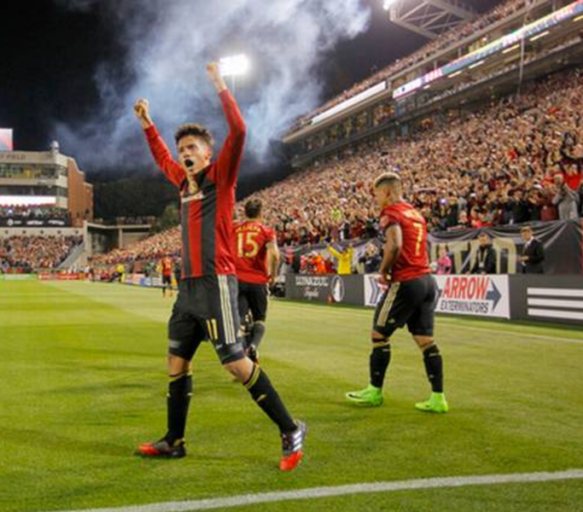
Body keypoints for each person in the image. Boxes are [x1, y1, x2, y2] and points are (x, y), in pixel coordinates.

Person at [133, 62, 305, 471]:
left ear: (208, 154)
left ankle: (291, 426)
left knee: (234, 363)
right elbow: (160, 157)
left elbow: (240, 132)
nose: (185, 154)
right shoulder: (181, 183)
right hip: (188, 289)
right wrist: (147, 124)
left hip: (217, 284)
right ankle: (175, 440)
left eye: (193, 149)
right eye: (183, 150)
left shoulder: (221, 178)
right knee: (176, 363)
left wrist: (219, 85)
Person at [346, 172, 448, 414]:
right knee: (425, 341)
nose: (377, 200)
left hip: (406, 281)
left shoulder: (391, 213)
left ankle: (374, 391)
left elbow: (395, 244)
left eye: (378, 194)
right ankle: (438, 397)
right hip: (426, 280)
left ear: (389, 192)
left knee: (379, 335)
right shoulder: (415, 214)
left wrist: (384, 271)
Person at [234, 198, 280, 364]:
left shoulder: (235, 229)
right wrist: (273, 275)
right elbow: (275, 255)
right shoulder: (266, 231)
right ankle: (253, 346)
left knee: (240, 321)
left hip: (237, 279)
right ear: (261, 213)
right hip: (257, 280)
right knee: (259, 319)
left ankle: (242, 359)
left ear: (245, 213)